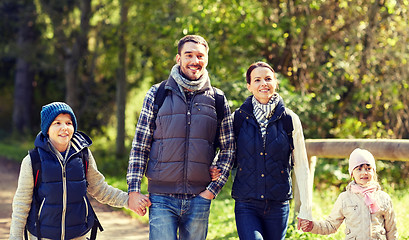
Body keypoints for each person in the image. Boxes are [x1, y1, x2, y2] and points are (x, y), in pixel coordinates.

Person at [126, 35, 235, 240]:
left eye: (200, 56)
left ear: (207, 59)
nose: (195, 61)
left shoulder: (218, 99)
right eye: (189, 55)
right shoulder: (157, 94)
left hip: (200, 197)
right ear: (178, 59)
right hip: (161, 198)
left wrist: (212, 189)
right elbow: (140, 145)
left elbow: (228, 148)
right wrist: (133, 190)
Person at [9, 102, 130, 240]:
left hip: (77, 234)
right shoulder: (33, 160)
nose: (64, 128)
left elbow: (99, 189)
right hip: (43, 235)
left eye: (69, 123)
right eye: (57, 123)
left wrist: (127, 200)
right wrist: (15, 237)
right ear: (47, 128)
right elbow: (21, 204)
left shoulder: (83, 155)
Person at [229, 61, 312, 239]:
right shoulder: (237, 118)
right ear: (249, 86)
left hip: (278, 204)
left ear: (275, 83)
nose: (263, 83)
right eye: (257, 80)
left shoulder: (290, 119)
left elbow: (301, 166)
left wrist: (306, 208)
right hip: (246, 203)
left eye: (268, 79)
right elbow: (226, 155)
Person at [299, 148, 398, 239]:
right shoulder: (345, 198)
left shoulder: (383, 198)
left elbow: (391, 229)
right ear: (352, 174)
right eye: (359, 169)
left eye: (368, 168)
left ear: (374, 172)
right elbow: (331, 225)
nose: (364, 173)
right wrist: (312, 226)